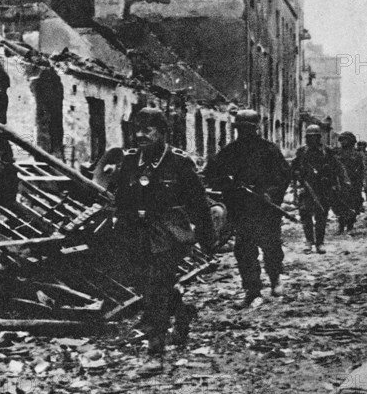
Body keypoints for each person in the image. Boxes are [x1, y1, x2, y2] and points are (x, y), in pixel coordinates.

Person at [113, 107, 216, 376]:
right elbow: (121, 201)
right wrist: (121, 234)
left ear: (162, 132)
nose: (140, 135)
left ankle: (154, 353)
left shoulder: (179, 163)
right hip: (138, 233)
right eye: (137, 129)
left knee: (156, 288)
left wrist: (207, 240)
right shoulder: (130, 161)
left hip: (169, 233)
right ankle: (181, 312)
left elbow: (199, 205)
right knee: (148, 284)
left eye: (148, 130)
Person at [203, 109, 290, 308]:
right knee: (244, 250)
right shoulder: (231, 151)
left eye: (248, 129)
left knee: (271, 246)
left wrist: (271, 192)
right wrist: (228, 185)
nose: (244, 133)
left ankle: (275, 278)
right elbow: (211, 174)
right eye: (240, 129)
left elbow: (284, 176)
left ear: (256, 129)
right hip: (242, 209)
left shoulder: (269, 150)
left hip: (266, 209)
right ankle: (252, 290)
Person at [291, 125, 349, 254]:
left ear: (318, 138)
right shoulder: (302, 152)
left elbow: (337, 168)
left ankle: (320, 242)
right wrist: (295, 174)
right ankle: (308, 241)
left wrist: (337, 183)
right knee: (305, 214)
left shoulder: (326, 152)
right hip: (307, 188)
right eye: (309, 137)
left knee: (321, 215)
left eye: (314, 137)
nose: (311, 140)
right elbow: (293, 167)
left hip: (323, 189)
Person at [336, 132, 364, 232]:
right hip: (340, 183)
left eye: (345, 140)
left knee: (353, 203)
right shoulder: (337, 153)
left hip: (354, 182)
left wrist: (360, 183)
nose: (342, 142)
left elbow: (361, 170)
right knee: (340, 203)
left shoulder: (357, 154)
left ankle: (350, 224)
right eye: (341, 140)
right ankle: (341, 224)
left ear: (351, 141)